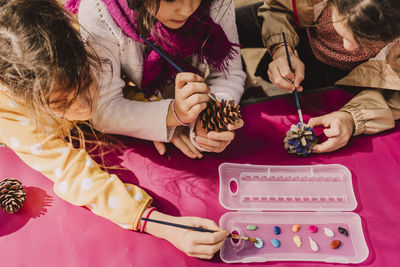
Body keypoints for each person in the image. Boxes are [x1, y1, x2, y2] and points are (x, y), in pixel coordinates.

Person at [0, 0, 227, 259]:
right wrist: (164, 225)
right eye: (63, 103)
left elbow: (116, 86)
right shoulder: (10, 111)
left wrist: (156, 118)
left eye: (86, 82)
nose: (87, 108)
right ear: (28, 100)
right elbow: (73, 175)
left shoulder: (74, 36)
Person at [64, 0, 246, 159]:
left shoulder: (215, 3)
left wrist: (208, 121)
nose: (186, 10)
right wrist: (172, 115)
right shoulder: (98, 10)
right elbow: (102, 107)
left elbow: (229, 75)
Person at [236, 0, 400, 153]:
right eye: (342, 32)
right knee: (231, 28)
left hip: (350, 79)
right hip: (306, 45)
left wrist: (352, 117)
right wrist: (281, 48)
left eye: (367, 43)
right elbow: (278, 7)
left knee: (315, 109)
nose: (348, 47)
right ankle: (249, 87)